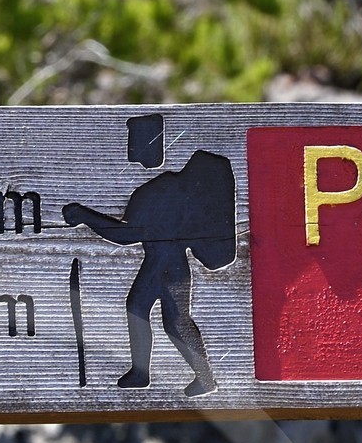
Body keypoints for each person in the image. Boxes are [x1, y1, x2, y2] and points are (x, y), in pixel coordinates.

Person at [62, 144, 237, 390]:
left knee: (173, 320)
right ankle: (145, 373)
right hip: (162, 261)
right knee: (143, 309)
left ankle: (203, 378)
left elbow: (126, 235)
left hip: (168, 264)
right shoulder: (166, 190)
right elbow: (128, 233)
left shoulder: (165, 191)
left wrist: (86, 216)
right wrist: (86, 217)